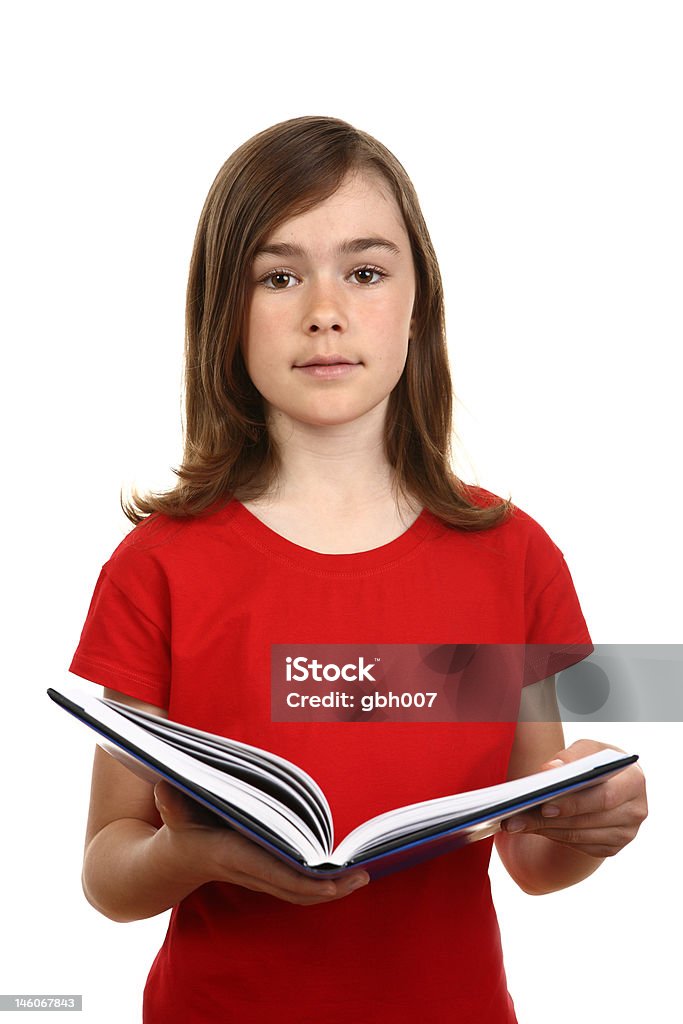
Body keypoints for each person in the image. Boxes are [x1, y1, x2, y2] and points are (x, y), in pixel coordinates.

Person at [70, 115, 648, 1024]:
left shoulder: (510, 553)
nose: (324, 310)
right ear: (225, 312)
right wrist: (197, 856)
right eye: (279, 275)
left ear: (418, 305)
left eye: (366, 271)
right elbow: (109, 868)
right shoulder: (159, 567)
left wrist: (593, 824)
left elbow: (534, 860)